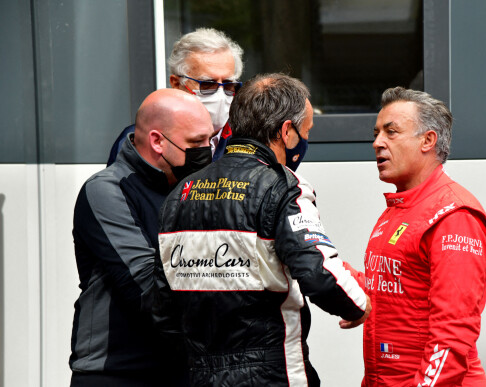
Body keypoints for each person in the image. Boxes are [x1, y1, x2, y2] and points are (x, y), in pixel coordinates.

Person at [155, 73, 371, 386]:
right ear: (286, 131)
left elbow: (161, 305)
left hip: (200, 375)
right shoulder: (283, 186)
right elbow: (320, 274)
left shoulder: (180, 193)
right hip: (272, 373)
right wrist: (359, 305)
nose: (304, 142)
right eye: (304, 132)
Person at [69, 88, 214, 387]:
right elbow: (148, 289)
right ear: (157, 141)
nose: (207, 150)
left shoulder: (198, 189)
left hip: (186, 369)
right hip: (117, 372)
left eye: (210, 140)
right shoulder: (107, 190)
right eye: (196, 142)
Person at [361, 87, 486, 386]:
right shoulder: (400, 208)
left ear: (428, 140)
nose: (377, 143)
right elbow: (394, 287)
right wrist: (326, 267)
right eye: (376, 133)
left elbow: (453, 333)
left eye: (391, 132)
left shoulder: (453, 215)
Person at [107, 27, 244, 166]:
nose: (220, 95)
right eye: (207, 85)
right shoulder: (136, 142)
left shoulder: (248, 142)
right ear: (176, 84)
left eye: (228, 85)